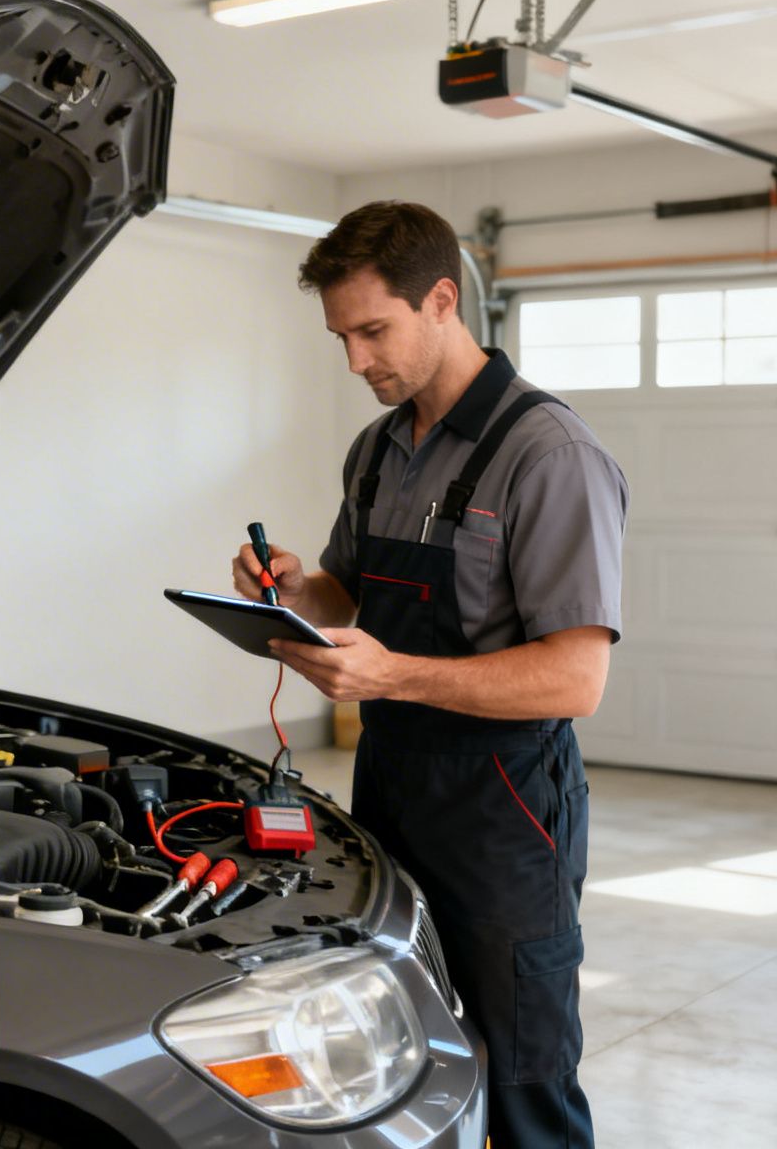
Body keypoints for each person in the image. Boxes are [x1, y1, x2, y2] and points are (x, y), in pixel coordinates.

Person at [233, 200, 624, 1149]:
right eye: (341, 336)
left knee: (524, 1082)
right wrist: (297, 590)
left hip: (506, 812)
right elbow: (350, 594)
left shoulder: (550, 454)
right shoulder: (377, 451)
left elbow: (576, 680)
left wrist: (392, 675)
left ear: (442, 301)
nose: (355, 360)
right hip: (390, 791)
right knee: (403, 1059)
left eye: (373, 331)